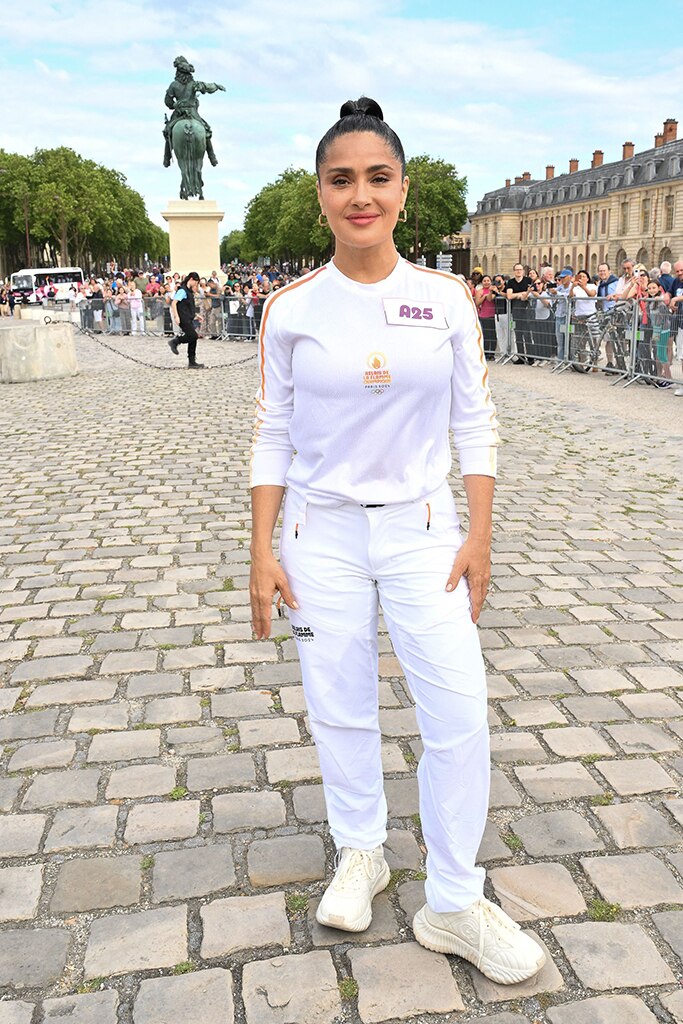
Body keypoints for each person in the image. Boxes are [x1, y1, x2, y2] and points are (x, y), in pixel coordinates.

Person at [249, 96, 546, 986]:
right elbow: (272, 430)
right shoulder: (289, 307)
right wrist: (260, 550)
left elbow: (474, 423)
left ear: (403, 192)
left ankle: (453, 899)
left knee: (455, 710)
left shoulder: (446, 297)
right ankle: (361, 851)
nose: (359, 195)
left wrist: (480, 534)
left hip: (424, 531)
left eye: (377, 177)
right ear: (320, 196)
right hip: (318, 534)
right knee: (338, 701)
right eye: (341, 180)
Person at [169, 271, 205, 368]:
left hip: (188, 317)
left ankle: (192, 361)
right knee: (193, 336)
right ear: (192, 280)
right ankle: (175, 341)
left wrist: (196, 315)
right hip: (183, 318)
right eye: (196, 283)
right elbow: (174, 303)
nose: (196, 285)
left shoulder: (188, 292)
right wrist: (176, 316)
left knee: (193, 338)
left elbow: (187, 306)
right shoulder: (183, 291)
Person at [506, 263, 534, 364]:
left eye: (520, 269)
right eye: (517, 270)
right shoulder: (510, 282)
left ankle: (530, 356)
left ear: (523, 271)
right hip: (516, 309)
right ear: (514, 271)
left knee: (527, 333)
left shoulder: (528, 281)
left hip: (526, 309)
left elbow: (528, 294)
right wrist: (520, 294)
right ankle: (521, 356)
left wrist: (519, 295)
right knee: (518, 333)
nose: (518, 271)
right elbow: (509, 296)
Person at [668, 260, 683, 396]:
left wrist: (675, 299)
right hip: (680, 323)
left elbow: (676, 297)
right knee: (682, 356)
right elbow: (669, 292)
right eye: (677, 271)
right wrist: (667, 297)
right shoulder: (675, 281)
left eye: (681, 271)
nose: (679, 273)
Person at [473, 274, 497, 359]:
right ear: (482, 282)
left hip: (493, 315)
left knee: (493, 335)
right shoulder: (479, 291)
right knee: (486, 335)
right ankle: (486, 353)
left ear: (490, 282)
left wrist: (489, 293)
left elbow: (491, 298)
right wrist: (484, 296)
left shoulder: (494, 289)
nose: (486, 282)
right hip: (484, 315)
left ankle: (492, 354)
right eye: (484, 281)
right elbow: (477, 302)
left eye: (488, 281)